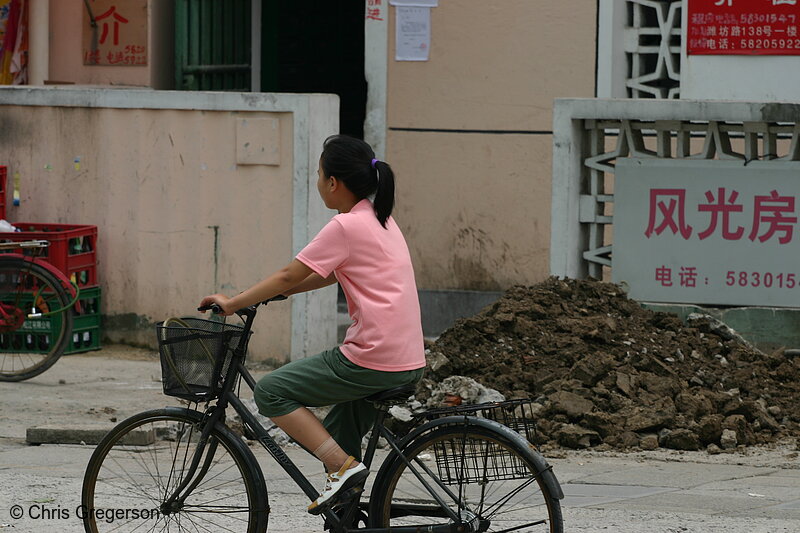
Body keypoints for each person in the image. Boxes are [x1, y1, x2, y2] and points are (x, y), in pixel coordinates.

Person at [199, 134, 426, 515]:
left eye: (320, 175)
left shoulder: (344, 226)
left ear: (333, 183)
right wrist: (281, 295)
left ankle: (342, 468)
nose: (318, 182)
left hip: (371, 356)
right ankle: (347, 509)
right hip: (407, 359)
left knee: (271, 390)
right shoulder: (380, 220)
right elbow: (329, 273)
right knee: (338, 430)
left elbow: (289, 274)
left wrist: (233, 302)